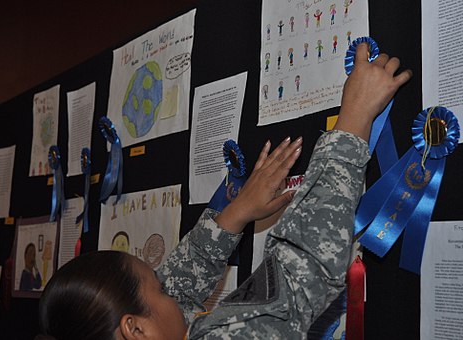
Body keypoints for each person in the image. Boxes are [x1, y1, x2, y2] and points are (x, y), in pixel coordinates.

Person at [38, 43, 412, 339]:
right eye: (159, 290)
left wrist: (233, 216)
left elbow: (179, 287)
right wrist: (354, 119)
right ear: (134, 329)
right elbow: (301, 276)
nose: (171, 289)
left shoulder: (135, 327)